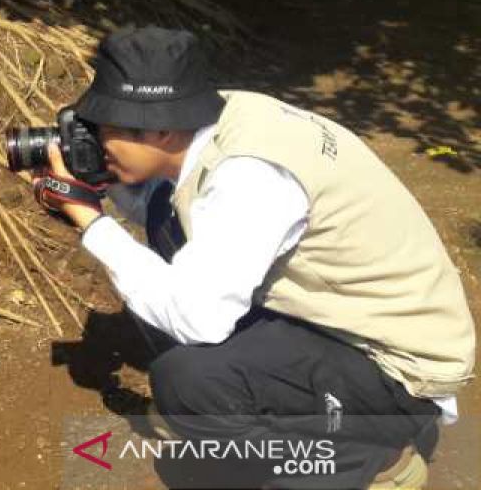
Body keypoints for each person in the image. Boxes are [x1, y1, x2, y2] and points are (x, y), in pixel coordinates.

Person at [32, 26, 475, 489]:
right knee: (168, 218)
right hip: (351, 320)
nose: (96, 142)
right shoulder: (218, 118)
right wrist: (93, 185)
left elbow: (197, 317)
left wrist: (91, 223)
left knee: (190, 380)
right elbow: (168, 201)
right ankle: (290, 417)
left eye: (106, 130)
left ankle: (373, 462)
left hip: (399, 365)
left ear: (161, 127)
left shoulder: (252, 175)